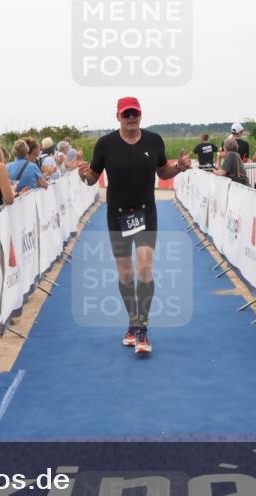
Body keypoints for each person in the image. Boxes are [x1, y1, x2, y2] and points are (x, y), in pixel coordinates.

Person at [77, 96, 192, 356]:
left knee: (145, 268)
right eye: (126, 114)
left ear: (141, 115)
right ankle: (132, 321)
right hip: (116, 215)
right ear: (118, 116)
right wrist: (84, 175)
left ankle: (142, 327)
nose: (131, 118)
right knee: (126, 274)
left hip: (145, 213)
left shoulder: (154, 140)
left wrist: (178, 168)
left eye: (135, 113)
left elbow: (162, 172)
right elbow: (93, 177)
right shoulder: (105, 144)